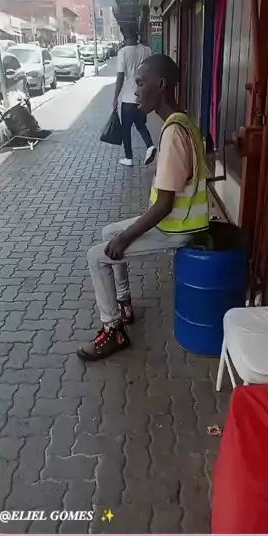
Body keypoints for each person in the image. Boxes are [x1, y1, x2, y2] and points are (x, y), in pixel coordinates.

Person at [77, 54, 210, 361]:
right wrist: (120, 236)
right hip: (180, 221)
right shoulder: (183, 120)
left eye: (139, 83)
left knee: (97, 256)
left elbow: (163, 205)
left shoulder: (174, 132)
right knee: (109, 232)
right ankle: (123, 304)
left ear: (160, 85)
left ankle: (113, 330)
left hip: (177, 229)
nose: (135, 91)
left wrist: (125, 239)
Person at [113, 29, 156, 167]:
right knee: (141, 125)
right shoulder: (146, 50)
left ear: (125, 37)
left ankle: (128, 157)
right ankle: (150, 146)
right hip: (142, 97)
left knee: (126, 129)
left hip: (128, 99)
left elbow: (120, 77)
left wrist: (115, 98)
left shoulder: (123, 52)